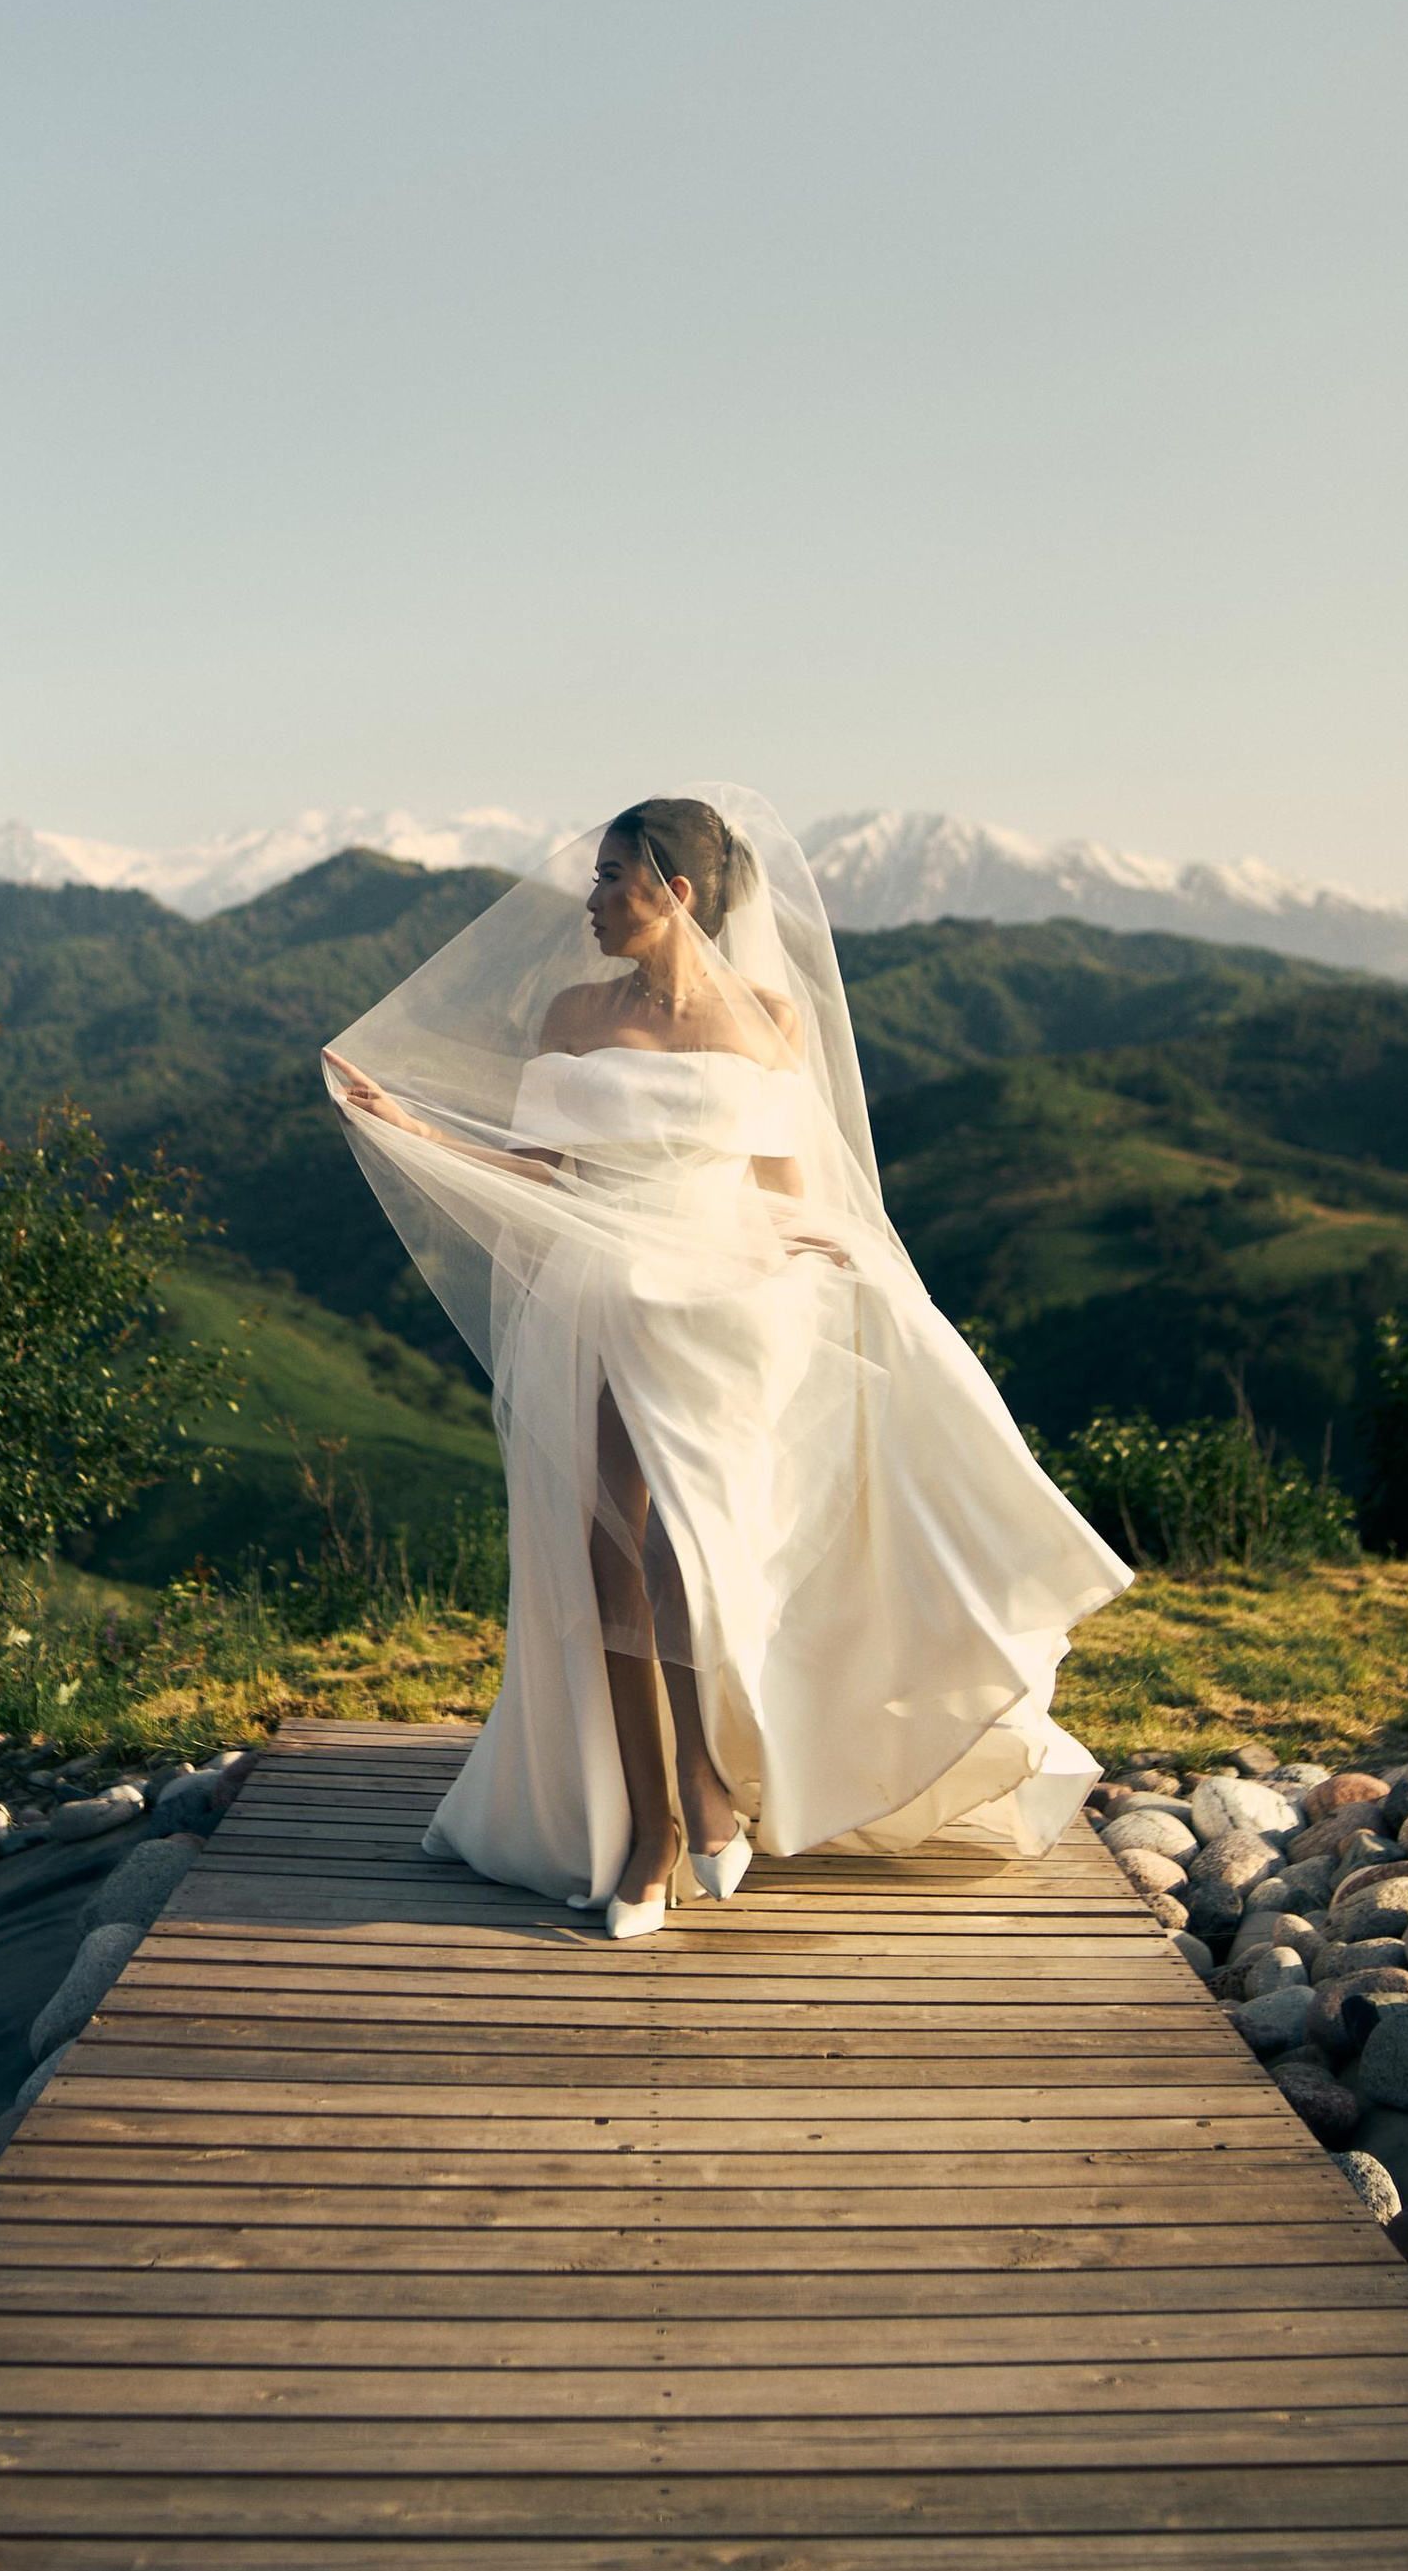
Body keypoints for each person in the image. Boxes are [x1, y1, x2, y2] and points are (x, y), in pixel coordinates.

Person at [323, 785, 1130, 1935]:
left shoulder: (766, 1016)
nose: (590, 898)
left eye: (610, 876)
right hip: (598, 1292)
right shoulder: (571, 1011)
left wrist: (842, 1274)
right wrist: (415, 1133)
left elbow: (785, 1185)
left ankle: (708, 1786)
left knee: (682, 1556)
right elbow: (543, 1171)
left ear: (675, 891)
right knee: (611, 1555)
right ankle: (654, 1829)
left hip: (720, 1299)